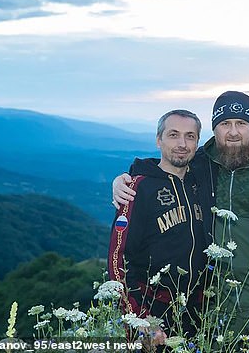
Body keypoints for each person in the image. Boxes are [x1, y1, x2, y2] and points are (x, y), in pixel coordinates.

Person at [113, 91, 249, 345]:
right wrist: (125, 179)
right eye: (224, 124)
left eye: (241, 123)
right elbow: (163, 167)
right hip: (215, 301)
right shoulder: (200, 162)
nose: (233, 132)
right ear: (214, 130)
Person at [108, 109, 208, 342]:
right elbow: (117, 258)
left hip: (198, 313)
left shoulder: (202, 182)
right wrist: (138, 319)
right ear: (158, 139)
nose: (182, 143)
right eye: (173, 135)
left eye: (190, 136)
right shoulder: (137, 189)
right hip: (153, 311)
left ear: (197, 143)